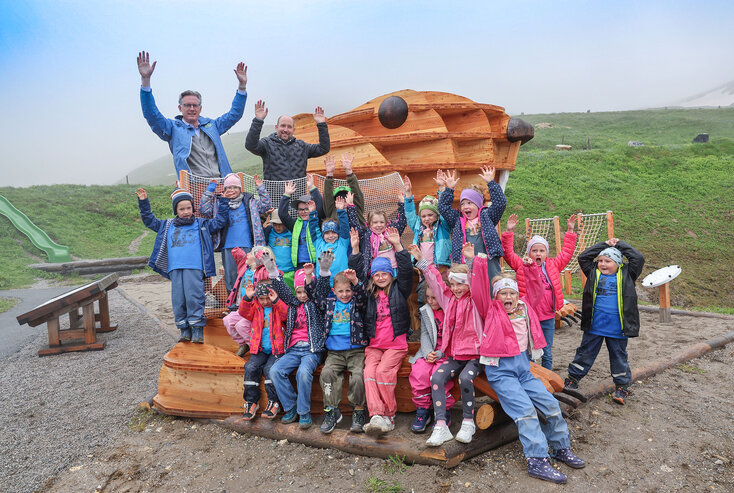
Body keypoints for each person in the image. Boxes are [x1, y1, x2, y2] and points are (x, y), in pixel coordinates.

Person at [475, 266, 585, 484]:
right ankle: (537, 460)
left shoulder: (524, 308)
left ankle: (561, 448)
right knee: (525, 411)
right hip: (501, 373)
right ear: (495, 296)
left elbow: (536, 289)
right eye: (503, 293)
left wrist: (531, 267)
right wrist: (476, 262)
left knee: (551, 405)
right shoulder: (491, 310)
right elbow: (478, 291)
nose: (508, 297)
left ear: (517, 295)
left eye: (512, 293)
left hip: (523, 370)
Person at [411, 243, 484, 447]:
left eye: (460, 284)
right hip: (454, 354)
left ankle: (468, 422)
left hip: (476, 355)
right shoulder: (449, 300)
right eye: (452, 285)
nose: (455, 289)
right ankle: (440, 424)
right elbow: (435, 282)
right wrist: (422, 262)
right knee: (437, 377)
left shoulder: (476, 299)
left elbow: (479, 283)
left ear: (468, 284)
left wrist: (471, 262)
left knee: (465, 378)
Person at [136, 188, 229, 343]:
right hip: (175, 268)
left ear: (192, 208)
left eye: (188, 208)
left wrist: (224, 202)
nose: (186, 211)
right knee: (178, 299)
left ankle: (197, 329)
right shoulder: (167, 225)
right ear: (175, 210)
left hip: (195, 267)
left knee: (195, 297)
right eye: (181, 209)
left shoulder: (201, 224)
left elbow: (219, 221)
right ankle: (184, 329)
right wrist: (144, 202)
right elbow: (149, 220)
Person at [137, 51, 247, 178]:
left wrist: (242, 86)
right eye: (187, 105)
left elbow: (235, 114)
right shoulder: (172, 128)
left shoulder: (213, 125)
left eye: (195, 105)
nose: (191, 108)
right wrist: (145, 81)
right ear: (180, 108)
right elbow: (152, 115)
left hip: (222, 184)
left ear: (200, 108)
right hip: (194, 186)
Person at [565, 239, 645, 405]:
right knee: (584, 353)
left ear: (618, 263)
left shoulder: (627, 274)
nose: (602, 264)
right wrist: (605, 245)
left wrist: (619, 245)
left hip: (618, 329)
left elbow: (638, 258)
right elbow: (583, 258)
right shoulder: (593, 272)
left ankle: (622, 386)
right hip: (595, 326)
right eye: (600, 260)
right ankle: (573, 379)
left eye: (608, 261)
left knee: (619, 356)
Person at [350, 228, 413, 436]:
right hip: (375, 345)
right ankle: (376, 415)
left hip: (396, 344)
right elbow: (357, 277)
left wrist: (398, 246)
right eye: (376, 275)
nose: (380, 277)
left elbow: (406, 271)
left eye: (384, 273)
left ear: (390, 274)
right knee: (369, 373)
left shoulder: (399, 289)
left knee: (383, 372)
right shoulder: (369, 294)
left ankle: (389, 415)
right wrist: (356, 249)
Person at [502, 213, 578, 370]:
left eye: (541, 250)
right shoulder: (522, 266)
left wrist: (570, 232)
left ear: (546, 253)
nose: (538, 253)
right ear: (529, 253)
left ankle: (547, 375)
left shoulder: (553, 265)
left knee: (547, 350)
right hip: (529, 315)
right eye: (534, 250)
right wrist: (509, 232)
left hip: (548, 315)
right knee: (530, 349)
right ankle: (530, 376)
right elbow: (508, 253)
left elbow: (566, 253)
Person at [312, 238, 369, 434]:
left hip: (356, 350)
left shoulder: (356, 302)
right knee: (327, 375)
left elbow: (362, 295)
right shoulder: (328, 302)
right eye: (341, 291)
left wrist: (355, 281)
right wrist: (323, 272)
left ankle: (359, 410)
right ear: (334, 291)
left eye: (348, 291)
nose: (345, 294)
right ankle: (331, 410)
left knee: (358, 377)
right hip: (334, 353)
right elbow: (317, 293)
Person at [263, 253, 326, 430]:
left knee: (303, 373)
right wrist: (272, 270)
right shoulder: (292, 304)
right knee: (275, 370)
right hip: (292, 350)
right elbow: (282, 288)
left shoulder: (315, 303)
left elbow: (318, 291)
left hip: (311, 350)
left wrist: (310, 276)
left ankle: (304, 411)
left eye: (305, 291)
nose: (302, 295)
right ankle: (290, 408)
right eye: (299, 292)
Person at [437, 167, 507, 292]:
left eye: (469, 203)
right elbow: (443, 208)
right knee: (470, 291)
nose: (465, 207)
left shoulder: (487, 216)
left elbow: (500, 203)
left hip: (489, 260)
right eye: (463, 204)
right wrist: (449, 189)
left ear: (478, 204)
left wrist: (491, 183)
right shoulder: (458, 220)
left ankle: (493, 310)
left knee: (492, 289)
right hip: (465, 264)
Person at [407, 285, 455, 433]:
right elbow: (425, 334)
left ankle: (443, 411)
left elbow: (454, 337)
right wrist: (427, 352)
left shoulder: (451, 311)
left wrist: (440, 353)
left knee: (438, 375)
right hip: (429, 350)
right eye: (428, 297)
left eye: (434, 298)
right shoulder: (427, 311)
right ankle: (423, 410)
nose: (430, 301)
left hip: (447, 351)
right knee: (419, 371)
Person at [238, 281, 288, 421]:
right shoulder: (255, 308)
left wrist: (276, 301)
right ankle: (251, 402)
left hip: (276, 349)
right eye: (262, 299)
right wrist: (247, 298)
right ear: (257, 299)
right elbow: (243, 312)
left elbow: (286, 314)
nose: (265, 301)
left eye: (268, 298)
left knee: (269, 369)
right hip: (259, 349)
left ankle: (273, 402)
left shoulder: (277, 307)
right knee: (250, 367)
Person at [245, 100, 330, 181]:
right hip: (274, 195)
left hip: (299, 195)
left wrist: (321, 124)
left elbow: (323, 148)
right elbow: (251, 145)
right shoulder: (267, 144)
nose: (285, 129)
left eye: (289, 127)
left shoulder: (302, 146)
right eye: (283, 126)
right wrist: (258, 121)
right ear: (276, 127)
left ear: (294, 130)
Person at [278, 175, 324, 269]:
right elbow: (282, 214)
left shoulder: (317, 221)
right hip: (299, 265)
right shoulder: (295, 224)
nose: (303, 212)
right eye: (300, 209)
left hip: (316, 263)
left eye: (306, 209)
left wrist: (312, 187)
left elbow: (320, 206)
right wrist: (286, 195)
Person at [308, 196, 350, 284]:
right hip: (323, 283)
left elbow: (345, 227)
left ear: (338, 233)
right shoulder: (319, 243)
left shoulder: (343, 242)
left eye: (333, 232)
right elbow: (313, 229)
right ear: (323, 235)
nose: (330, 236)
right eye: (327, 233)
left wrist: (341, 211)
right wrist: (312, 213)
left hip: (342, 283)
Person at [322, 153, 366, 228]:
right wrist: (329, 174)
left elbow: (357, 192)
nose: (344, 203)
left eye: (346, 199)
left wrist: (349, 171)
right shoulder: (332, 212)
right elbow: (328, 195)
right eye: (340, 199)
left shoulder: (357, 209)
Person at [264, 209, 295, 288]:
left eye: (281, 224)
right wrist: (264, 215)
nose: (278, 226)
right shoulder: (269, 232)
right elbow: (255, 229)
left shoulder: (293, 232)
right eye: (275, 223)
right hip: (274, 272)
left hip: (290, 272)